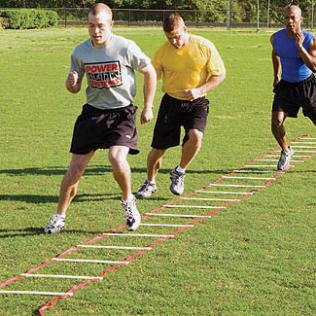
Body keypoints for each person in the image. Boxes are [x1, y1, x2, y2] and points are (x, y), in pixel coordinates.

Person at [44, 3, 156, 233]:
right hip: (93, 114)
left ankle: (128, 202)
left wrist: (148, 106)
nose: (96, 31)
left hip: (122, 113)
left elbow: (150, 71)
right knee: (74, 170)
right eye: (91, 26)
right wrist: (71, 83)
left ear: (111, 25)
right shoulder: (80, 52)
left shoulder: (125, 47)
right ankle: (59, 216)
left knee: (116, 158)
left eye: (101, 26)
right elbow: (74, 89)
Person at [136, 13, 225, 198]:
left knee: (196, 137)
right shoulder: (162, 52)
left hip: (197, 102)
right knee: (158, 149)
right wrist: (148, 106)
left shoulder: (204, 46)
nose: (174, 41)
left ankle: (179, 171)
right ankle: (150, 182)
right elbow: (151, 78)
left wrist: (200, 90)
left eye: (177, 36)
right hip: (171, 101)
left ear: (186, 29)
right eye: (170, 38)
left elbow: (219, 75)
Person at [271, 1, 316, 171]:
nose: (289, 21)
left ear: (300, 19)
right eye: (286, 18)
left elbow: (314, 66)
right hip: (286, 86)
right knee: (276, 122)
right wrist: (276, 75)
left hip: (307, 86)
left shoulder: (310, 40)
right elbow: (275, 53)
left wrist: (299, 47)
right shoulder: (276, 38)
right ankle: (286, 150)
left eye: (292, 18)